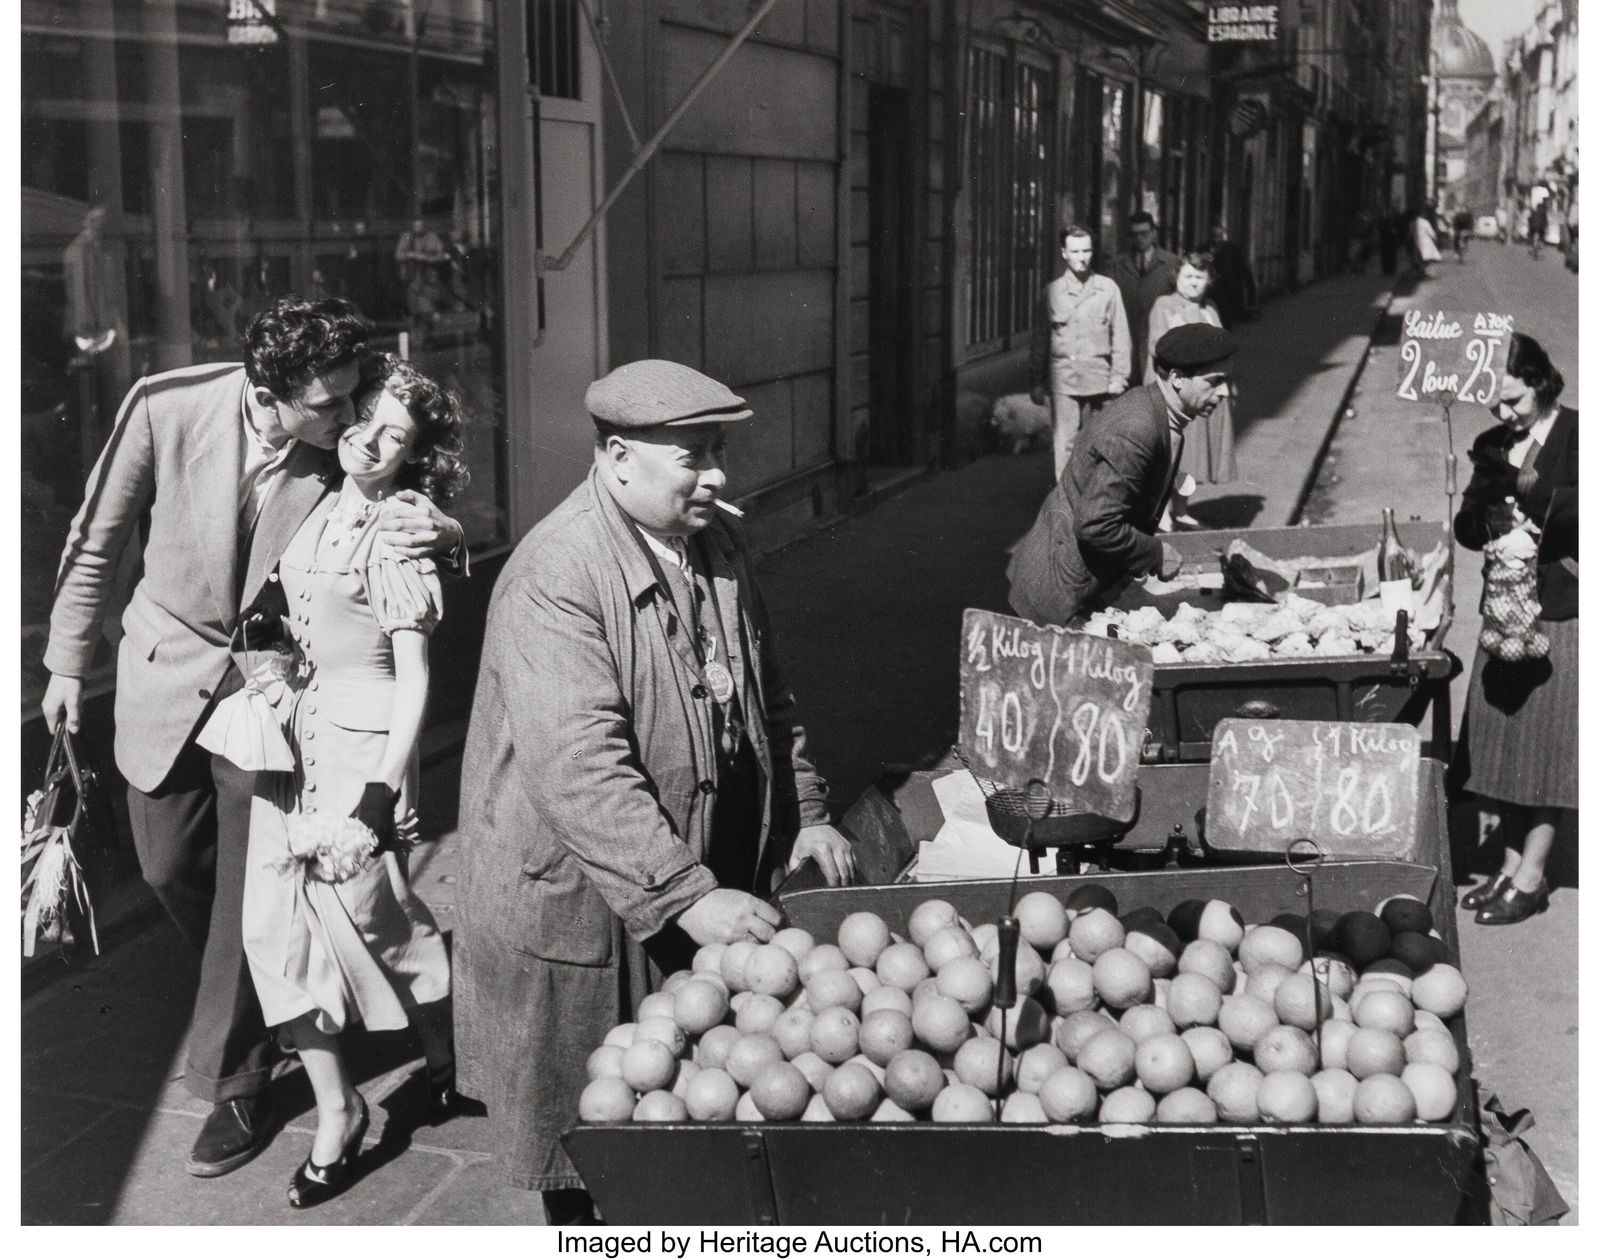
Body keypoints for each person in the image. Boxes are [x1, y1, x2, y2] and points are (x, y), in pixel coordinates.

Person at [40, 296, 465, 1179]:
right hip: (162, 671)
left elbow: (410, 494)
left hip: (272, 697)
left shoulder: (337, 444)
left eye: (357, 401)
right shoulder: (167, 405)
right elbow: (95, 540)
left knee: (252, 887)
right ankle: (283, 997)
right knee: (167, 867)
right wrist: (67, 665)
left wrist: (449, 529)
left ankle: (238, 1077)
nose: (351, 417)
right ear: (271, 389)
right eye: (333, 403)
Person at [453, 360, 856, 1222]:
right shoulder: (554, 574)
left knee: (685, 1129)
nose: (719, 474)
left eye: (719, 451)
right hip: (583, 900)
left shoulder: (711, 538)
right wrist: (686, 894)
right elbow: (581, 767)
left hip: (684, 879)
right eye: (695, 456)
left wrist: (805, 812)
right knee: (596, 1148)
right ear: (617, 455)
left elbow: (767, 690)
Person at [232, 358, 468, 1207]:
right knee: (274, 932)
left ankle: (445, 1058)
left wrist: (380, 789)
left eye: (393, 433)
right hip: (292, 739)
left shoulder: (402, 532)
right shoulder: (312, 504)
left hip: (363, 752)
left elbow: (416, 680)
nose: (367, 438)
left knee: (380, 923)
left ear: (414, 456)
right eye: (362, 416)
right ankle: (340, 1110)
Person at [1453, 333, 1577, 926]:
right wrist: (1484, 515)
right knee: (1501, 740)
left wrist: (1536, 492)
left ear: (1540, 382)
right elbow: (1466, 528)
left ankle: (1533, 874)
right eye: (1496, 405)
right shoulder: (1490, 443)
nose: (1505, 416)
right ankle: (1507, 864)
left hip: (1562, 609)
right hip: (1505, 610)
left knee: (1551, 749)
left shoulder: (1579, 436)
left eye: (1515, 403)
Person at [1007, 324, 1235, 626]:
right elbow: (1096, 525)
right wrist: (1154, 553)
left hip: (1078, 578)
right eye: (1214, 381)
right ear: (1178, 378)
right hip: (1060, 592)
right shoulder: (1138, 429)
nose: (1224, 392)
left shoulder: (1157, 410)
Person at [1029, 225, 1132, 477]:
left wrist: (1120, 377)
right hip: (1064, 379)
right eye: (1075, 251)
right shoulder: (1052, 292)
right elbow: (1040, 340)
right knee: (1065, 445)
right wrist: (1035, 381)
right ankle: (1068, 501)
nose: (1082, 257)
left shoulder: (1108, 289)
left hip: (1100, 380)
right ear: (1064, 253)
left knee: (1099, 443)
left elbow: (1120, 335)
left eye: (1086, 250)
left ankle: (1095, 501)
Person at [1144, 253, 1237, 528]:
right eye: (1188, 277)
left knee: (1193, 455)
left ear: (1208, 280)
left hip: (1204, 391)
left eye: (1200, 277)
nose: (1194, 283)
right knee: (1172, 452)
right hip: (1177, 391)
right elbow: (1157, 347)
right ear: (1176, 278)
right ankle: (1161, 514)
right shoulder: (1164, 305)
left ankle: (1182, 509)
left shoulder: (1211, 308)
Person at [1110, 211, 1180, 382]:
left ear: (1154, 233)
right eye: (1134, 234)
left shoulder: (1171, 263)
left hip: (1158, 343)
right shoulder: (1118, 265)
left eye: (1144, 233)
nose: (1139, 238)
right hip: (1128, 344)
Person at [1412, 205, 1442, 278]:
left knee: (1419, 257)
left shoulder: (1413, 222)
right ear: (1423, 214)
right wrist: (1435, 238)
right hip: (1425, 242)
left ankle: (1420, 272)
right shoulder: (1425, 222)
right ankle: (1423, 272)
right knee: (1426, 258)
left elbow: (1411, 232)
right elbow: (1431, 232)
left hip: (1416, 241)